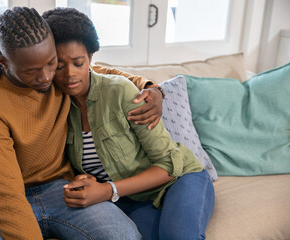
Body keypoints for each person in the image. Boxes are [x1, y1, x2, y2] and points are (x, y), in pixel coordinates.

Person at [0, 6, 165, 240]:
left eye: (52, 63)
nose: (47, 76)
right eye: (32, 71)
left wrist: (152, 88)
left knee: (126, 236)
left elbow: (96, 73)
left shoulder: (58, 76)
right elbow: (5, 199)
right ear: (3, 61)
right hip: (10, 197)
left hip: (61, 188)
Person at [42, 7, 215, 240]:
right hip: (132, 199)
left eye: (78, 63)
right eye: (60, 66)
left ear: (91, 58)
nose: (70, 74)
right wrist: (89, 180)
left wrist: (107, 190)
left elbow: (168, 164)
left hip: (179, 178)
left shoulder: (119, 91)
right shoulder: (55, 106)